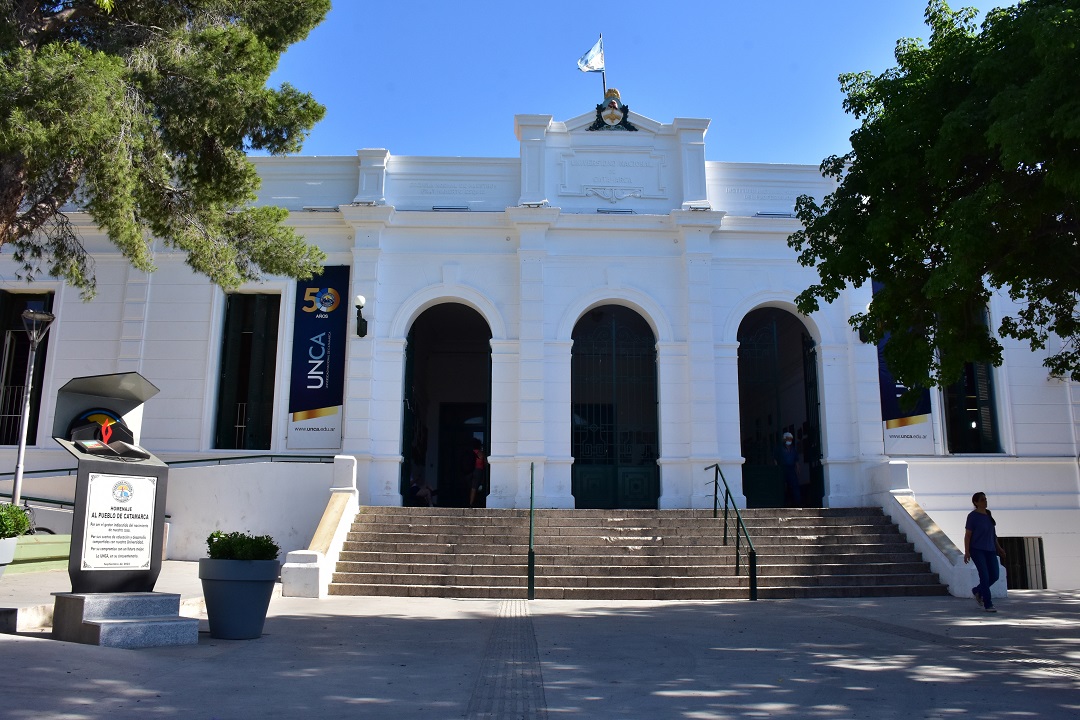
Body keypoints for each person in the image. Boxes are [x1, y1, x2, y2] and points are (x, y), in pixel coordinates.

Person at [964, 491, 1006, 612]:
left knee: (994, 575)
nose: (985, 501)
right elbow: (968, 535)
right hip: (977, 550)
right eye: (982, 500)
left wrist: (999, 548)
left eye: (985, 499)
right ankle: (988, 603)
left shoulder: (988, 514)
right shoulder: (972, 516)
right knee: (984, 576)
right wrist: (967, 551)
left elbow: (993, 535)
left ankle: (977, 590)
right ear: (976, 502)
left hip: (990, 549)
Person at [777, 431, 801, 507]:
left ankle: (797, 503)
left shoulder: (793, 449)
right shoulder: (780, 449)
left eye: (790, 439)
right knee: (782, 486)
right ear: (784, 439)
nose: (789, 440)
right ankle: (783, 503)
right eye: (788, 439)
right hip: (783, 468)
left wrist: (798, 470)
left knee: (794, 486)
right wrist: (777, 468)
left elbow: (796, 460)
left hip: (791, 469)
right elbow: (775, 458)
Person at [467, 438, 487, 509]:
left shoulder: (469, 453)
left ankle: (467, 500)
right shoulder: (481, 453)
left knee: (469, 487)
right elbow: (485, 463)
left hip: (469, 471)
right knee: (474, 488)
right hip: (478, 471)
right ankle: (471, 503)